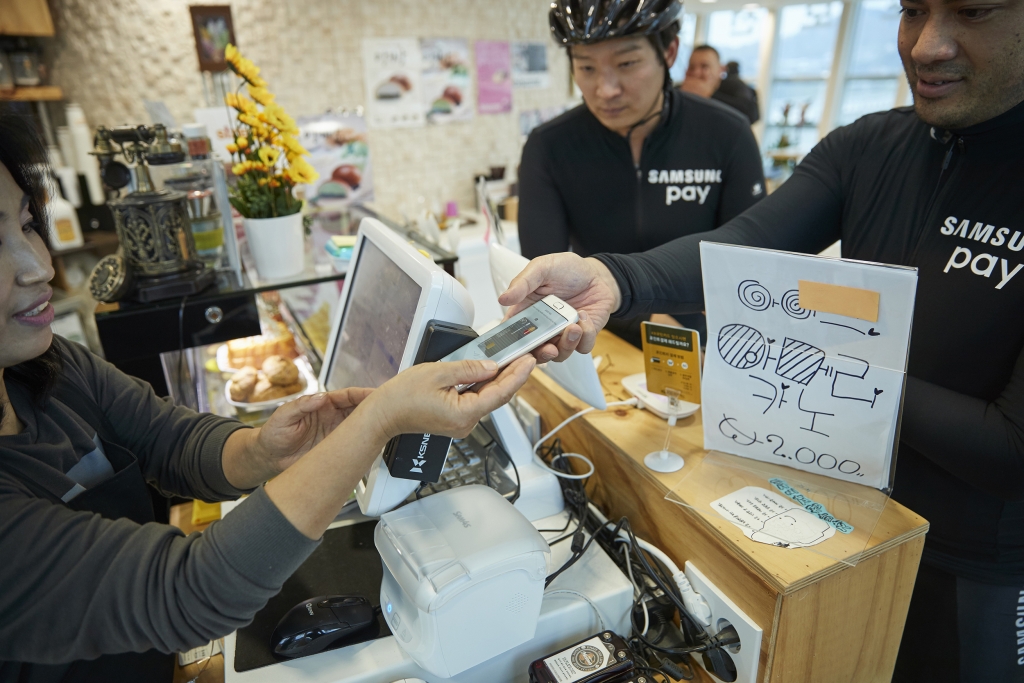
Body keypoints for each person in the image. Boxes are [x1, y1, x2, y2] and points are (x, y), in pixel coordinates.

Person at [500, 0, 1024, 678]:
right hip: (839, 523)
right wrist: (612, 278)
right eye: (911, 9)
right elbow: (740, 247)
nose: (926, 45)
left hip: (975, 565)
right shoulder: (867, 147)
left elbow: (1013, 451)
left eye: (974, 11)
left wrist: (824, 368)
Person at [0, 112, 535, 681]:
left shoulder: (49, 368)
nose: (39, 268)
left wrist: (264, 449)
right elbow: (189, 592)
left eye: (29, 224)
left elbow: (170, 441)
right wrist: (377, 420)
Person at [519, 0, 766, 345]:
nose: (606, 90)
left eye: (627, 63)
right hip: (601, 336)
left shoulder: (727, 133)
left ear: (669, 52)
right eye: (586, 68)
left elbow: (752, 262)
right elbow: (544, 278)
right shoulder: (548, 147)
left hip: (710, 337)